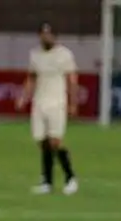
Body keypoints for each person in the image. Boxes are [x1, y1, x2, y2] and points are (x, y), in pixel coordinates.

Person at [15, 22, 79, 195]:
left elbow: (72, 80)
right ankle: (47, 181)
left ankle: (70, 177)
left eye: (49, 34)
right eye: (43, 34)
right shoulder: (35, 54)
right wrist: (23, 97)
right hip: (39, 102)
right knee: (41, 141)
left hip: (57, 103)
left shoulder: (64, 55)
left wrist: (73, 103)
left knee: (55, 141)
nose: (46, 37)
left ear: (54, 36)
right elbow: (31, 78)